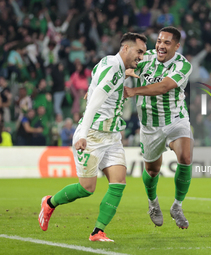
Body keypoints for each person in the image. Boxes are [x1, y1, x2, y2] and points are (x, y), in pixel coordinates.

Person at [38, 32, 147, 242]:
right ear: (125, 48)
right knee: (86, 188)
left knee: (119, 182)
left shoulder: (108, 61)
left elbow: (94, 87)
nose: (141, 57)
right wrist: (81, 133)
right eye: (139, 52)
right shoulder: (114, 71)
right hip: (93, 134)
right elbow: (95, 100)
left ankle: (98, 231)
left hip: (112, 135)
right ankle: (50, 203)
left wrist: (126, 73)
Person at [124, 27, 193, 229]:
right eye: (159, 41)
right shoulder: (146, 58)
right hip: (149, 125)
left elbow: (164, 86)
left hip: (175, 119)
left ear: (177, 46)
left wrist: (133, 90)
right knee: (152, 171)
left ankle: (177, 206)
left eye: (167, 43)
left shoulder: (183, 65)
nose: (161, 46)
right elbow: (124, 65)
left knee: (186, 158)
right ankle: (153, 203)